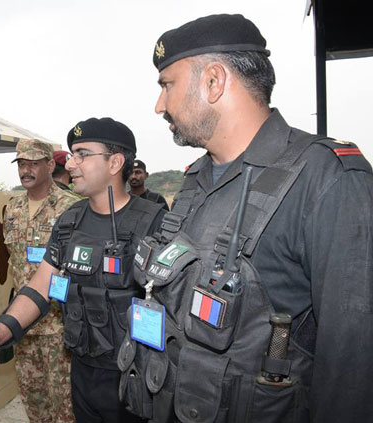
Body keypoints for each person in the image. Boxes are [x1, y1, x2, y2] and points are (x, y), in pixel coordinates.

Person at [120, 13, 373, 423]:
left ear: (214, 81)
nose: (159, 105)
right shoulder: (195, 180)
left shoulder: (326, 178)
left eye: (167, 85)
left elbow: (353, 364)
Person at [0, 117, 166, 423]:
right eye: (71, 155)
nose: (70, 165)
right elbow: (41, 286)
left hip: (135, 376)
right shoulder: (69, 221)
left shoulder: (156, 223)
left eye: (82, 154)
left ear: (115, 162)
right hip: (82, 368)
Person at [3, 139, 78, 423]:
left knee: (65, 404)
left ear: (50, 165)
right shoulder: (13, 207)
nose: (26, 170)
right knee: (33, 399)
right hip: (24, 325)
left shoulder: (71, 207)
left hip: (58, 325)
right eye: (22, 164)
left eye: (34, 163)